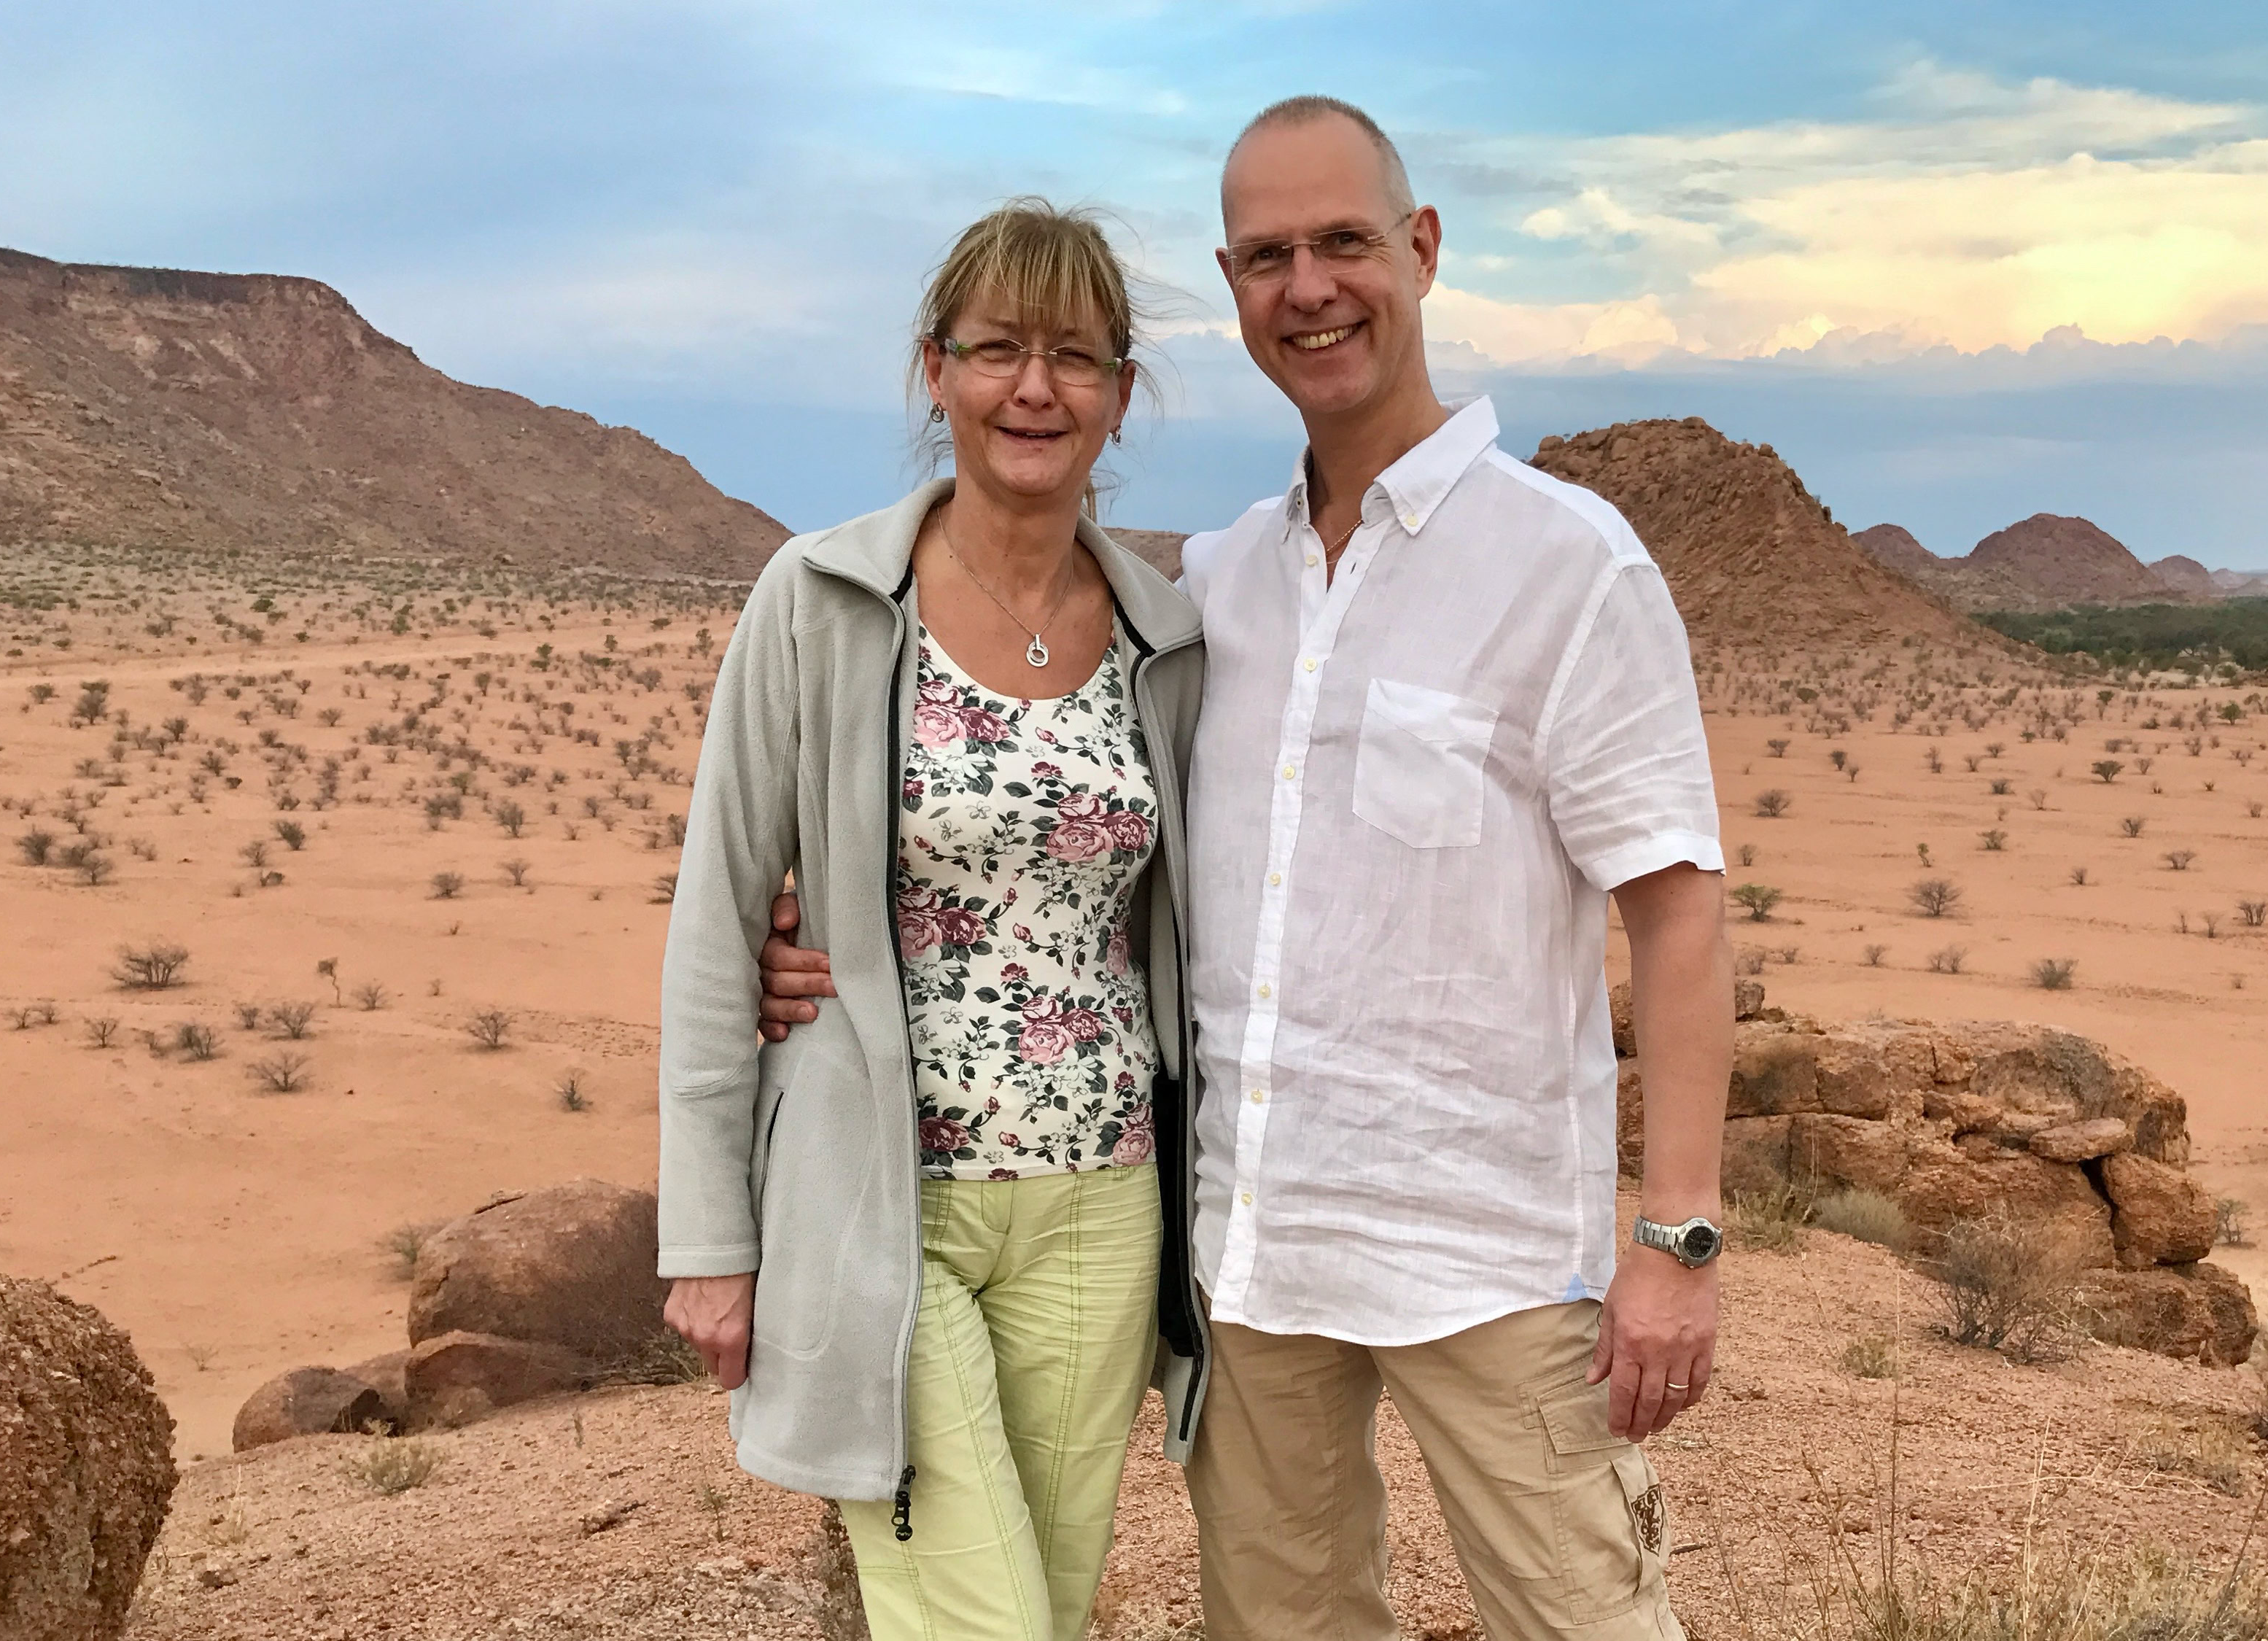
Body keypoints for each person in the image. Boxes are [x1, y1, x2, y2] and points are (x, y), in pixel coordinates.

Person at [756, 97, 1735, 1640]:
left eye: (1344, 241)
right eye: (1269, 256)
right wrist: (828, 945)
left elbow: (1677, 915)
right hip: (1254, 1261)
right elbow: (1072, 843)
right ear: (1231, 285)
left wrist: (1676, 1239)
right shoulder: (1213, 589)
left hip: (1486, 1263)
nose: (1309, 287)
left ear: (1421, 248)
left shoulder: (1570, 563)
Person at [657, 198, 1209, 1641]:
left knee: (1047, 1603)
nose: (1035, 388)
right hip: (885, 1202)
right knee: (980, 1618)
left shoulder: (1167, 637)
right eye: (997, 349)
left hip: (1103, 1206)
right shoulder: (825, 601)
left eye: (1074, 357)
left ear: (1120, 393)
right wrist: (708, 1238)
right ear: (935, 370)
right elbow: (719, 920)